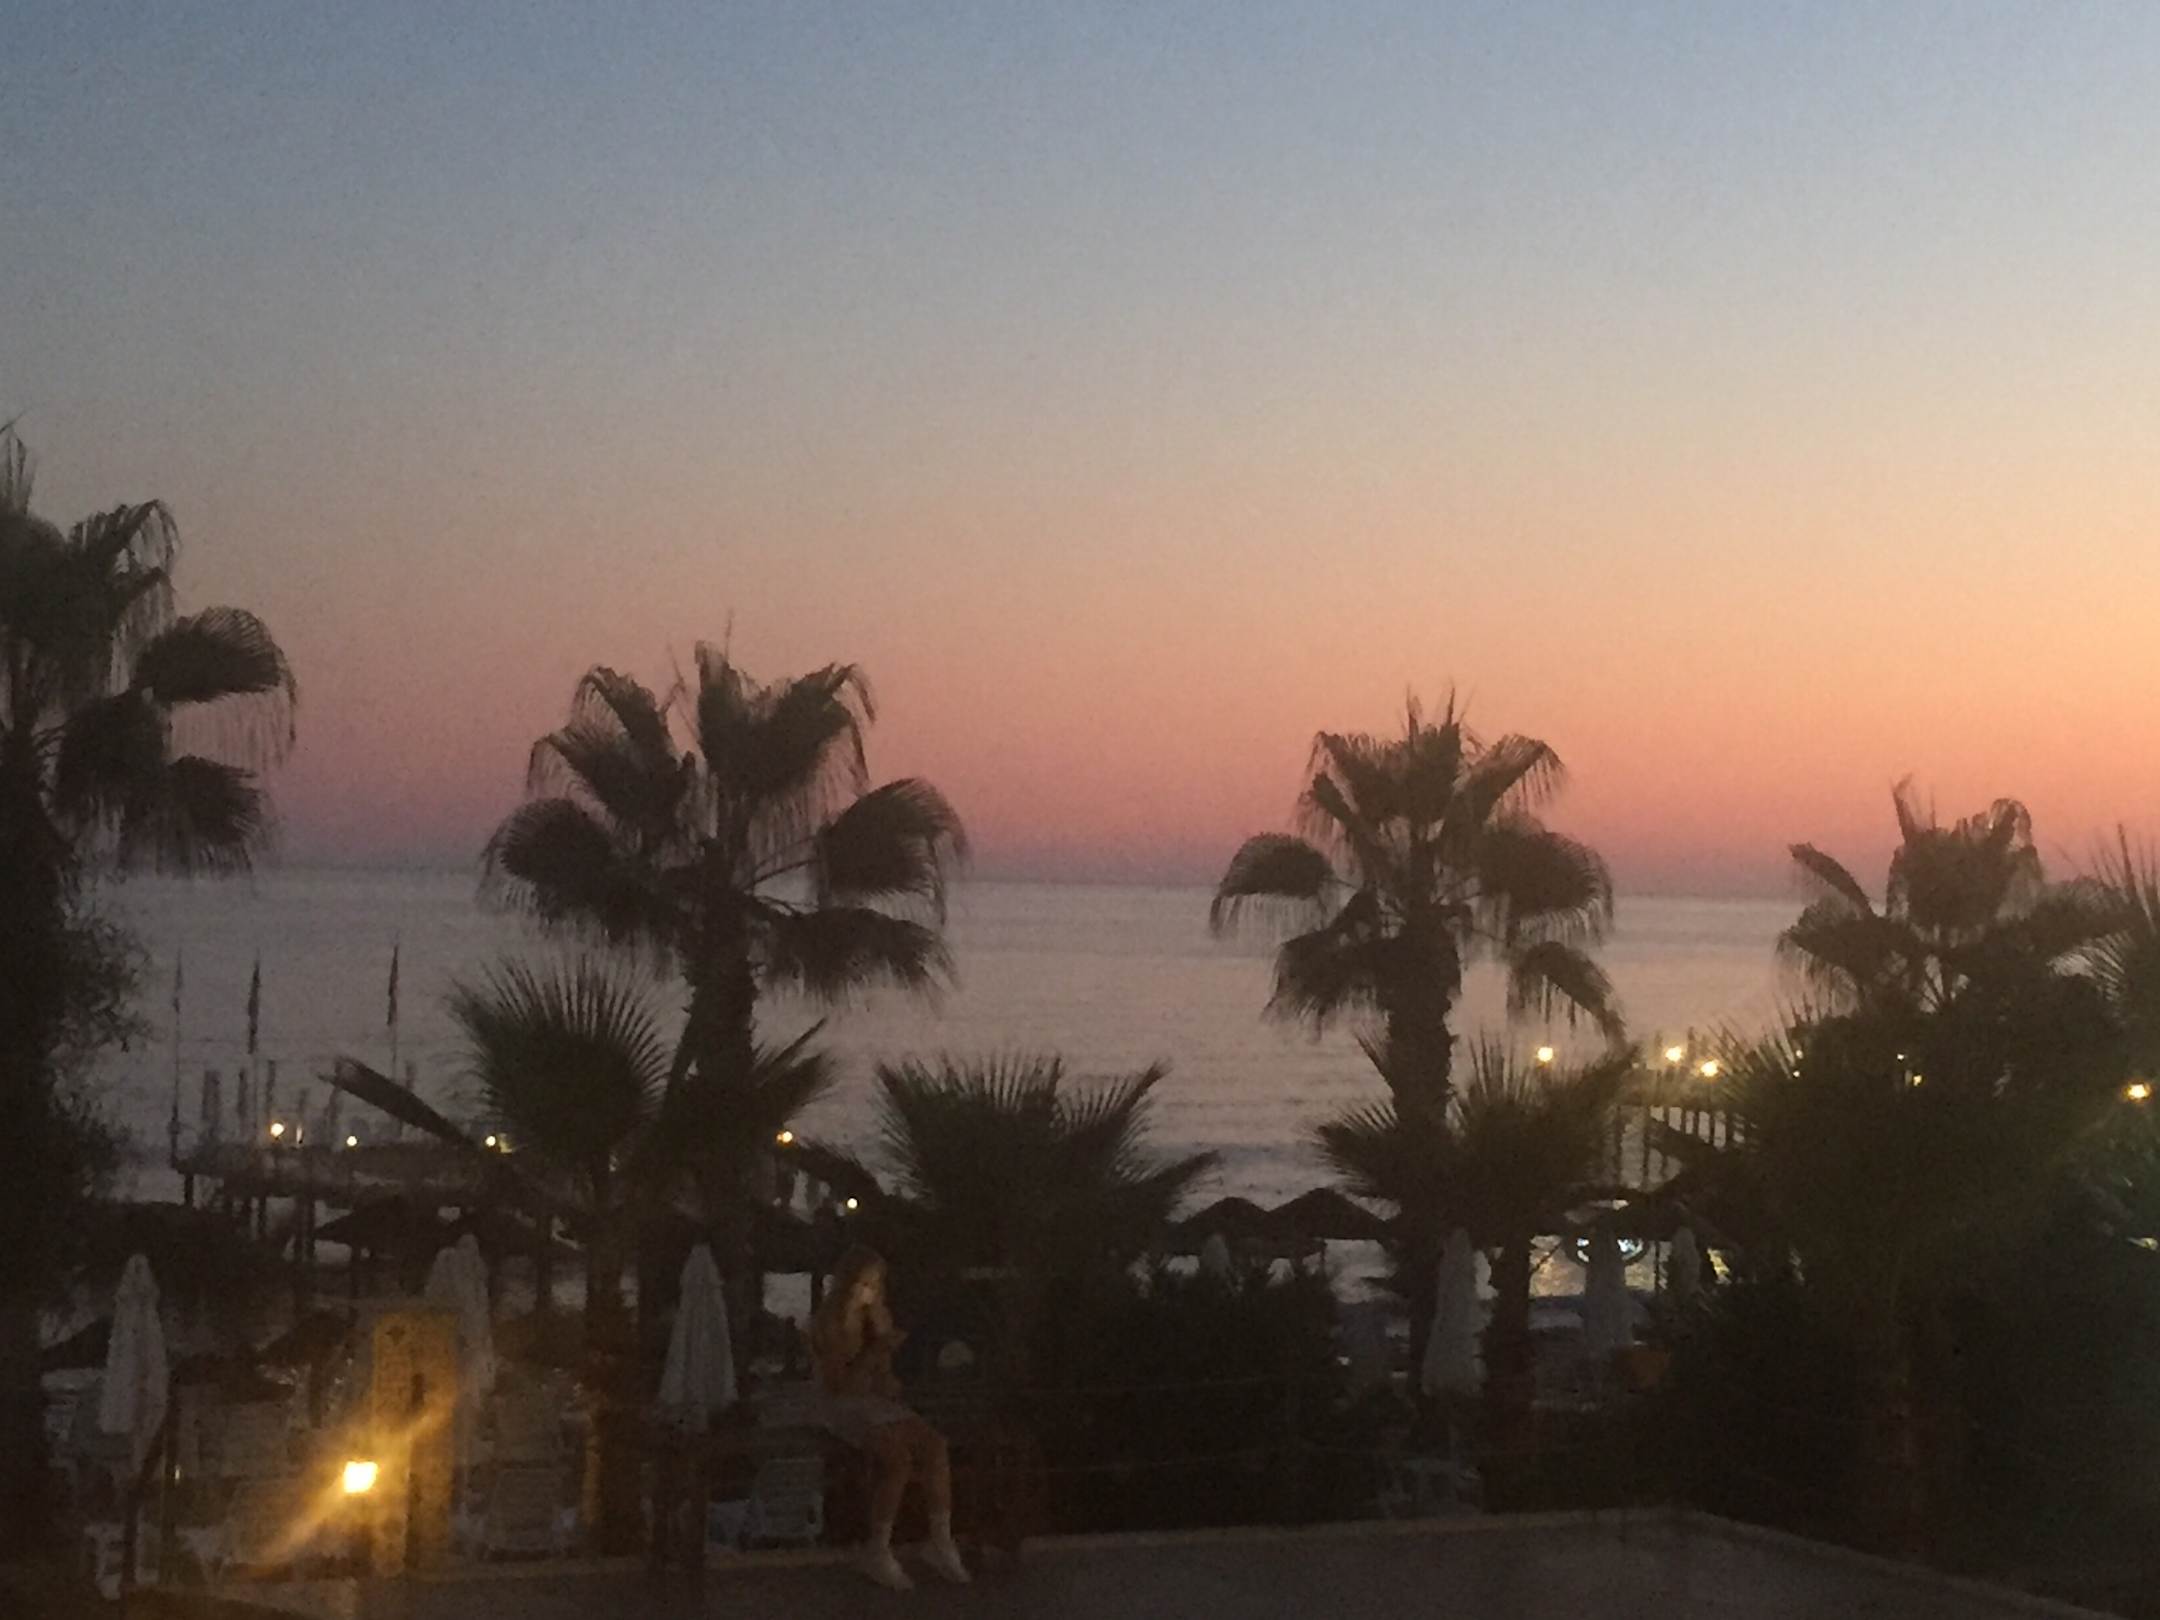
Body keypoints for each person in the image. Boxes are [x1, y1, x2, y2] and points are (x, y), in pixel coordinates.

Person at [808, 1245, 970, 1590]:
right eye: (864, 1282)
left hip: (872, 1399)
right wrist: (875, 1353)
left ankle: (940, 1539)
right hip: (840, 1403)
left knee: (935, 1445)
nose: (869, 1290)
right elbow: (840, 1386)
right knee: (898, 1459)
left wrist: (889, 1373)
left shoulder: (877, 1316)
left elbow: (882, 1375)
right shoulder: (829, 1322)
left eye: (875, 1283)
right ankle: (878, 1548)